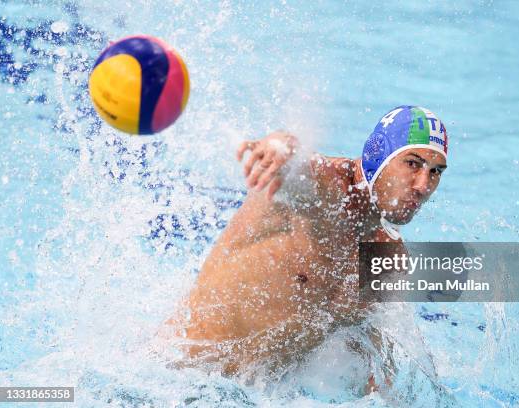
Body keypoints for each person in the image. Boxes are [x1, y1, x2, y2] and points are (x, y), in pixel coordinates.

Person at [165, 105, 448, 390]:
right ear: (380, 155)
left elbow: (370, 362)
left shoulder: (387, 254)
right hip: (174, 378)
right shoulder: (322, 190)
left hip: (254, 395)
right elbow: (293, 167)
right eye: (412, 164)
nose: (423, 185)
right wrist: (278, 147)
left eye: (435, 171)